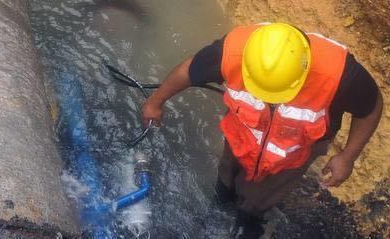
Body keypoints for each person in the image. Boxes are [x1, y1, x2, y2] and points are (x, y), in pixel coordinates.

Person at [142, 23, 382, 238]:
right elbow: (189, 70)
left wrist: (347, 157)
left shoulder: (339, 74)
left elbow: (371, 108)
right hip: (242, 134)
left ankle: (249, 219)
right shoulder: (234, 50)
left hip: (292, 153)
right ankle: (222, 200)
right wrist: (155, 103)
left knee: (258, 200)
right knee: (226, 176)